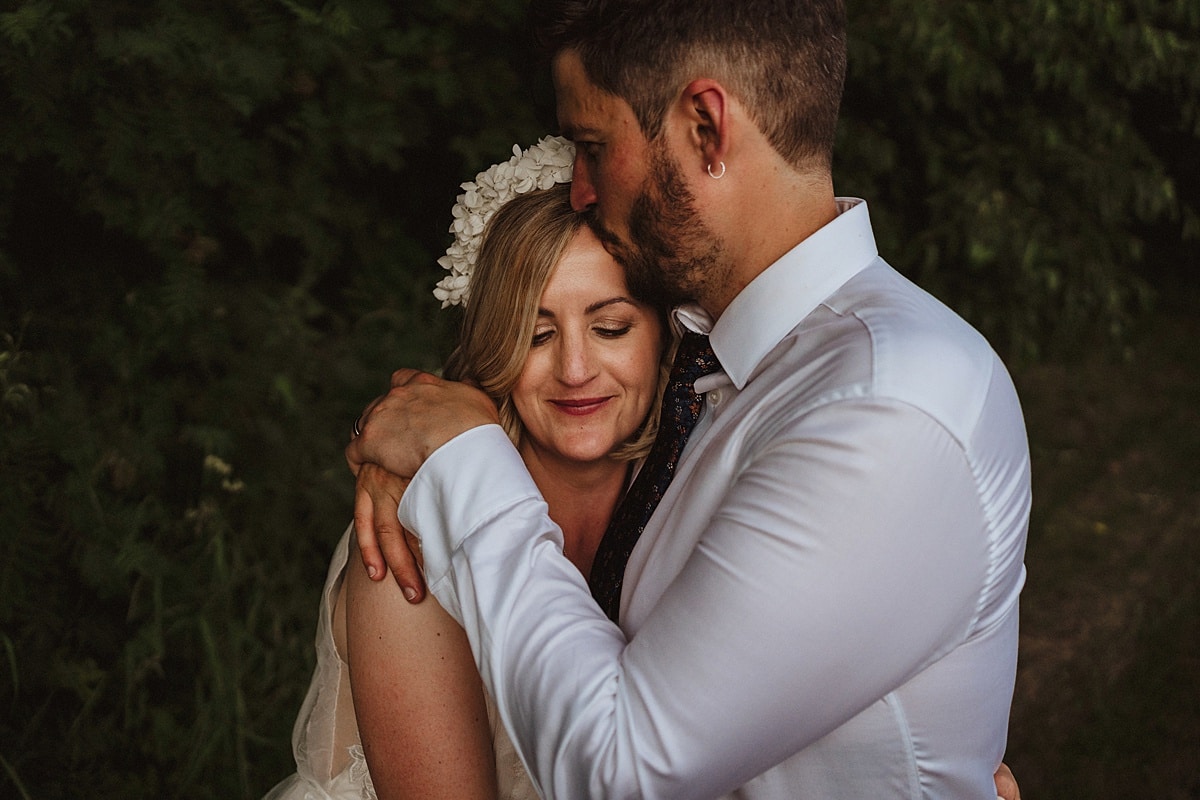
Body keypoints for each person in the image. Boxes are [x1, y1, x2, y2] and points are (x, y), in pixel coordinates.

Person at [346, 0, 1031, 798]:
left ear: (705, 127)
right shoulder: (715, 369)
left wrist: (464, 463)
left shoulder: (889, 405)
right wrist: (409, 446)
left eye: (593, 147)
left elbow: (625, 770)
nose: (579, 190)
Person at [265, 165, 674, 799]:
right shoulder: (410, 541)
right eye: (536, 335)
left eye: (610, 327)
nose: (574, 369)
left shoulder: (700, 486)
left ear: (664, 337)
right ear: (494, 348)